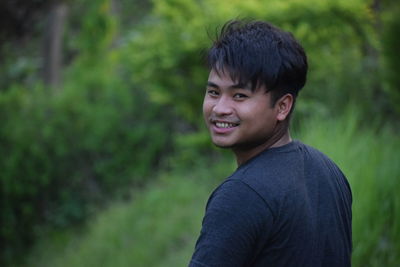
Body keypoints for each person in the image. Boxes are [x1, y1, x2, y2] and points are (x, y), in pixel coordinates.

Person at [189, 20, 352, 267]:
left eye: (239, 96)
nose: (220, 108)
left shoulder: (242, 194)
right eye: (213, 92)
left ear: (282, 106)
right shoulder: (328, 171)